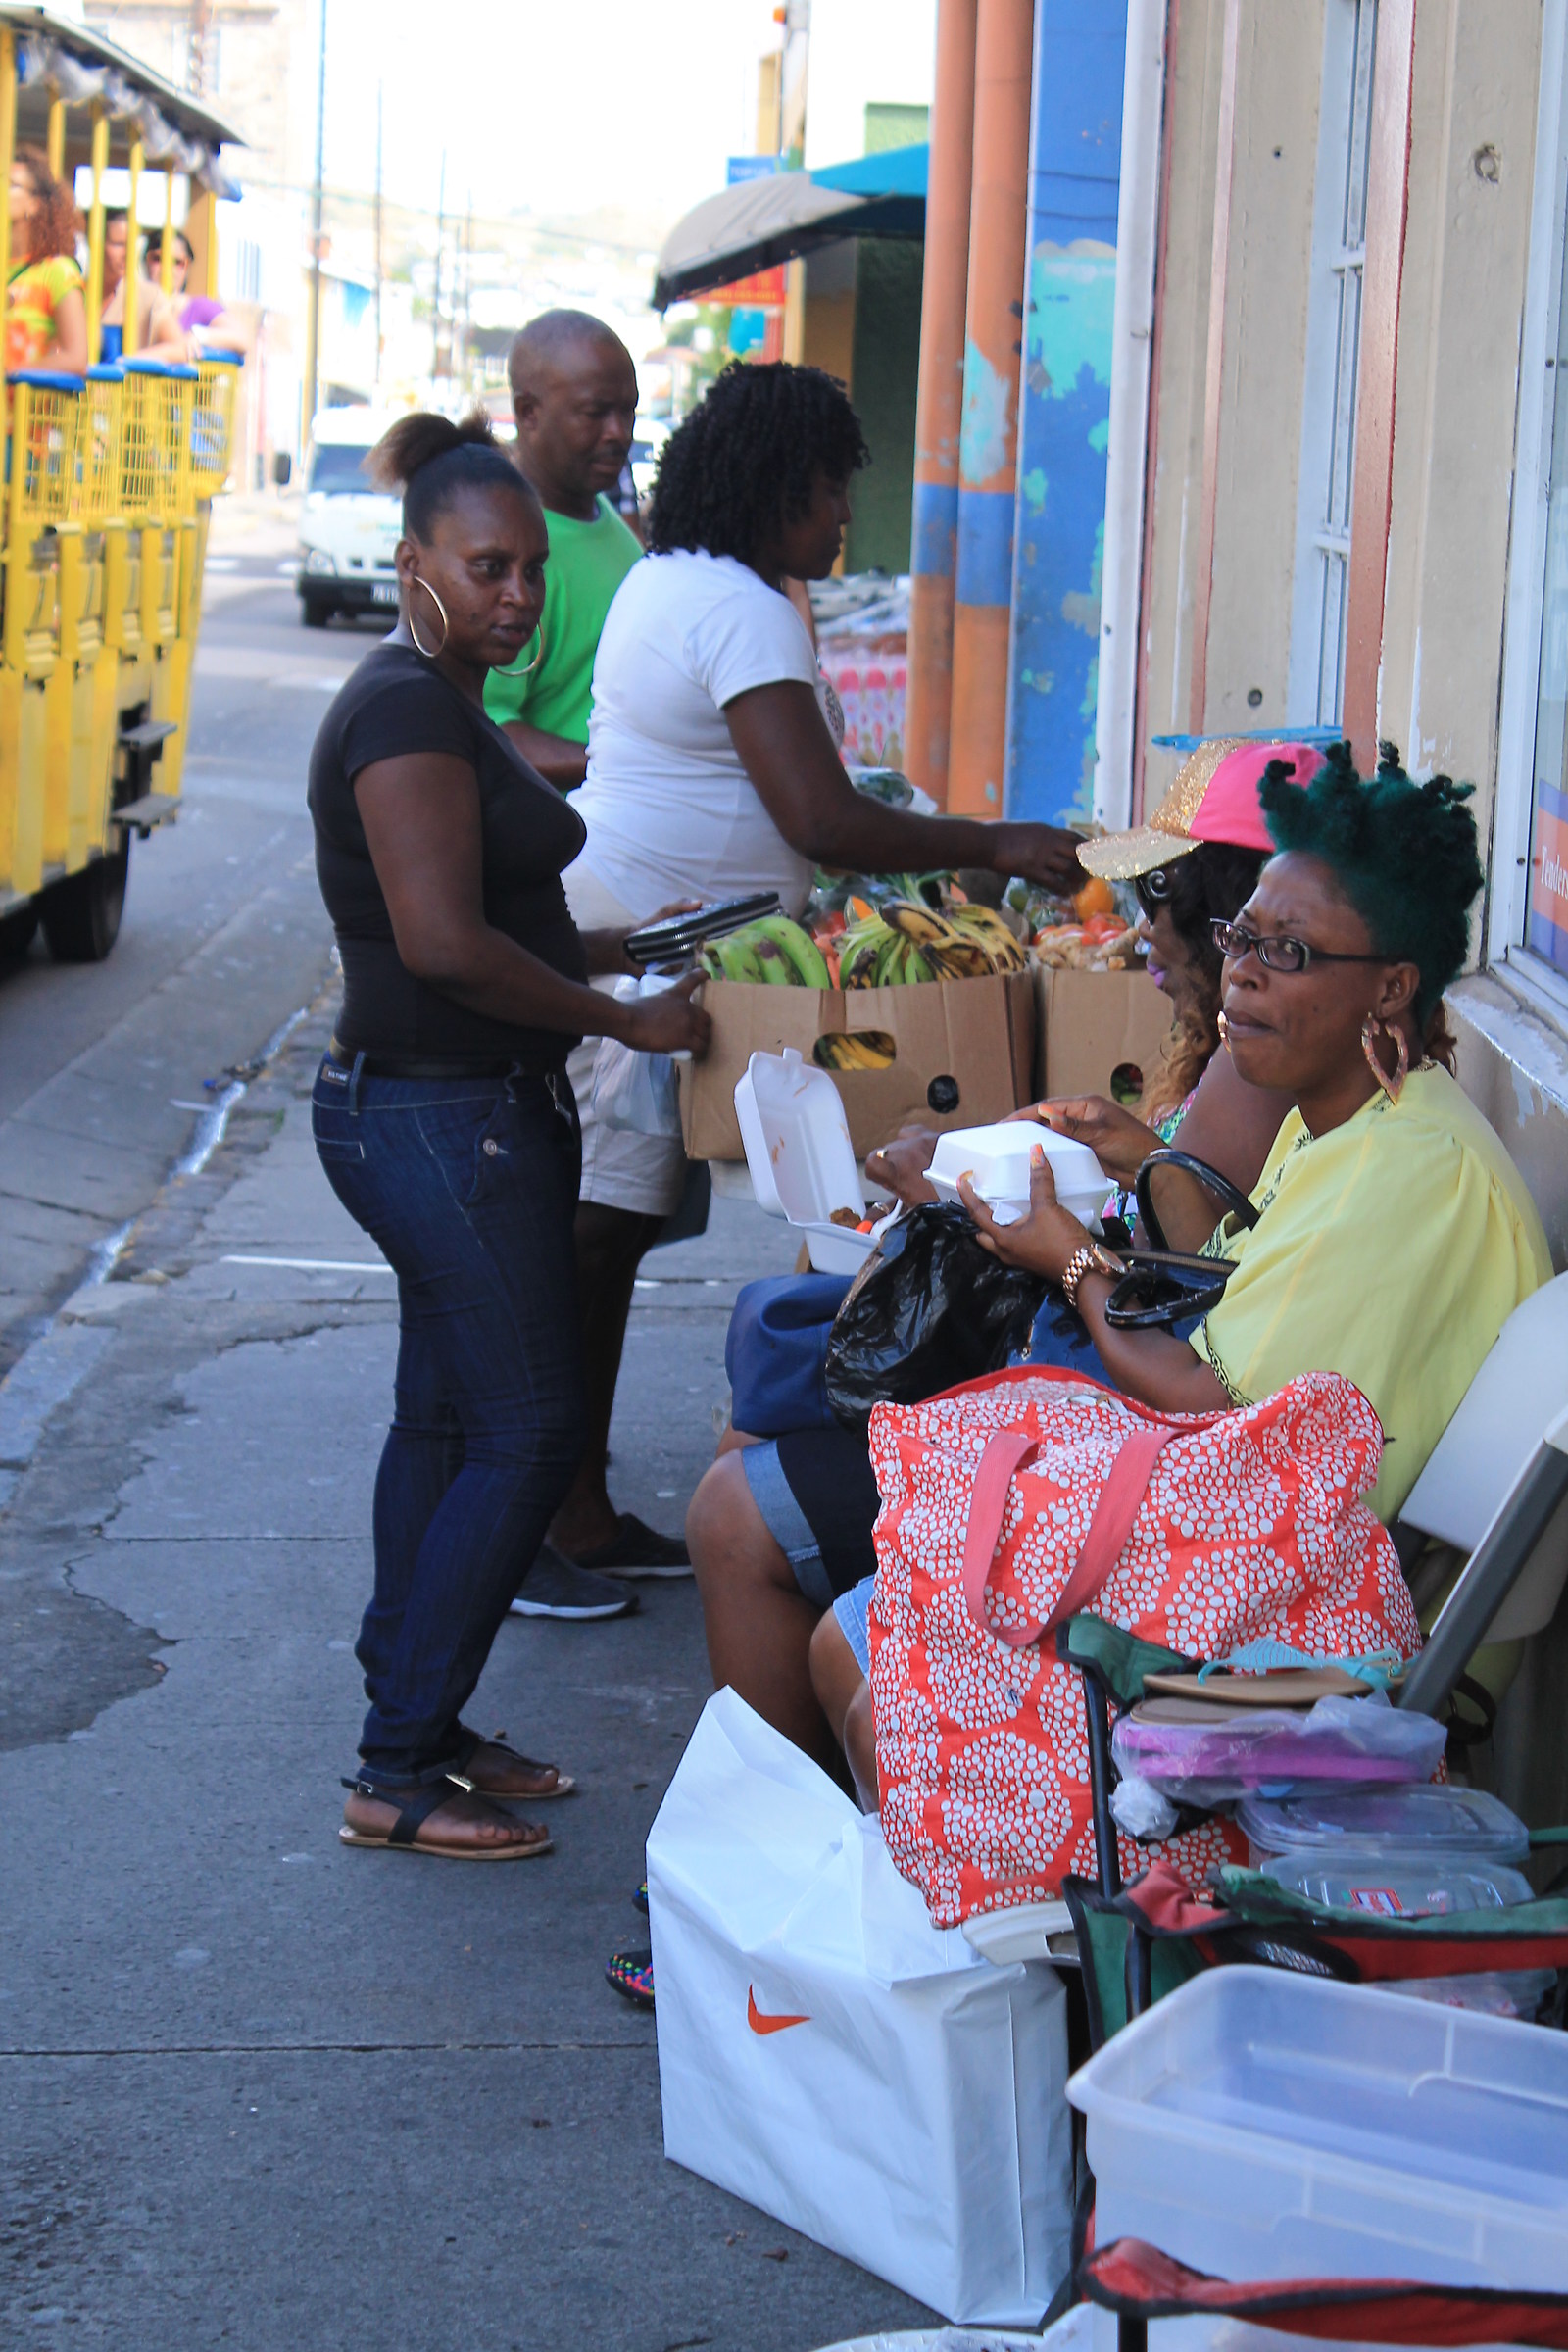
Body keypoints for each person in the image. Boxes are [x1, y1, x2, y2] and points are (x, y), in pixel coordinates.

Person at [696, 745, 1551, 1796]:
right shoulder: (1350, 1122)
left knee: (871, 1651)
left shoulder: (1406, 1169)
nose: (1242, 971)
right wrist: (1141, 1162)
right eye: (1242, 937)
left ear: (1392, 987)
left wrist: (1069, 1260)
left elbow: (1207, 1402)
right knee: (870, 1602)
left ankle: (956, 1893)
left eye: (1288, 953)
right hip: (1259, 1558)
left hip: (1317, 1649)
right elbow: (1220, 1295)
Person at [543, 360, 1087, 1601]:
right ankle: (551, 1516)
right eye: (832, 487)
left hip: (651, 938)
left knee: (609, 1242)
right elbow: (819, 815)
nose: (844, 514)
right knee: (594, 1242)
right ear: (776, 485)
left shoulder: (676, 577)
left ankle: (573, 1505)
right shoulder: (741, 606)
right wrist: (995, 842)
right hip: (636, 951)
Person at [307, 411, 709, 1861]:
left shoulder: (446, 700)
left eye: (531, 567)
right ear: (413, 563)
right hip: (440, 1115)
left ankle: (418, 1718)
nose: (520, 594)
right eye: (488, 567)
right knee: (530, 1429)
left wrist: (615, 952)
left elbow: (490, 920)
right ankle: (397, 1765)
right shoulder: (406, 712)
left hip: (455, 1108)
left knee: (445, 1417)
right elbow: (438, 945)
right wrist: (620, 1020)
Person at [482, 310, 643, 791]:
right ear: (528, 412)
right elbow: (484, 731)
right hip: (561, 832)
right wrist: (639, 771)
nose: (619, 432)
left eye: (629, 411)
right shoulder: (501, 555)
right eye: (595, 413)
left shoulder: (610, 525)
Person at [5, 147, 85, 374]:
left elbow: (76, 359)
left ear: (34, 204)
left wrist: (11, 374)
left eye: (10, 185)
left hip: (23, 398)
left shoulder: (58, 272)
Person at [100, 212, 187, 363]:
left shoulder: (148, 296)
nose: (127, 253)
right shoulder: (77, 292)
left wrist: (127, 361)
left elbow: (180, 349)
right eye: (118, 244)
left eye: (131, 245)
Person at [143, 226, 240, 348]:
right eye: (158, 259)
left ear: (186, 267)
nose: (167, 267)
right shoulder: (134, 307)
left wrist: (198, 336)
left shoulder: (199, 307)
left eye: (177, 262)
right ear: (146, 262)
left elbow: (240, 338)